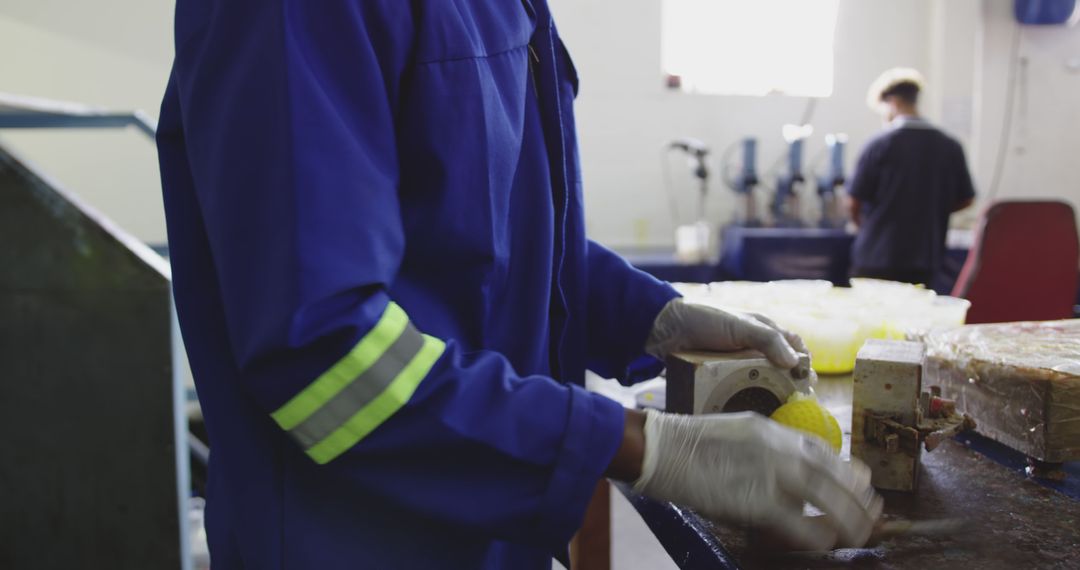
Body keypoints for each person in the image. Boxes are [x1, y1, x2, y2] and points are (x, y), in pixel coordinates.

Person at [156, 2, 881, 567]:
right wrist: (638, 446)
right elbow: (321, 352)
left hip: (493, 538)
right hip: (352, 542)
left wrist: (652, 317)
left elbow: (489, 228)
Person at [848, 68, 976, 286]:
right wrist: (931, 210)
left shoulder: (879, 145)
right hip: (924, 257)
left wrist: (866, 225)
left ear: (893, 102)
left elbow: (853, 201)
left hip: (878, 256)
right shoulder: (949, 146)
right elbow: (966, 199)